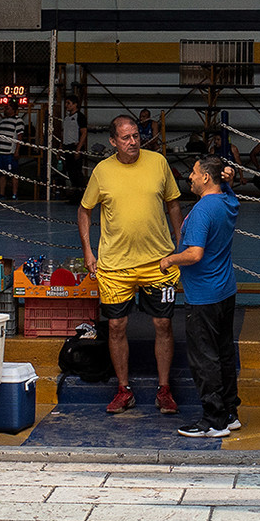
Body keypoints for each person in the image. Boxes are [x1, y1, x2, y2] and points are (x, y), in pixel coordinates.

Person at [78, 115, 184, 415]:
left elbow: (173, 204)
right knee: (115, 326)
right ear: (113, 141)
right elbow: (84, 210)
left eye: (136, 135)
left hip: (158, 262)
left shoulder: (158, 163)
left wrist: (181, 246)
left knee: (163, 323)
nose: (133, 142)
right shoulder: (102, 171)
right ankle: (123, 390)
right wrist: (88, 252)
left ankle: (164, 389)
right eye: (125, 138)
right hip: (115, 265)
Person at [164, 156, 240, 439]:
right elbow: (228, 188)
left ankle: (213, 420)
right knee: (224, 353)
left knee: (204, 359)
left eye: (195, 173)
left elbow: (194, 254)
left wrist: (169, 260)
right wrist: (229, 180)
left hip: (203, 296)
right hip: (225, 291)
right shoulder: (228, 201)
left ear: (207, 177)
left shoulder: (201, 211)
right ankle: (230, 413)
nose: (190, 177)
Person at [0, 108, 26, 199]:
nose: (6, 110)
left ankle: (14, 194)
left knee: (13, 174)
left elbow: (20, 136)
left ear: (14, 110)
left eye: (9, 108)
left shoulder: (18, 121)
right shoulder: (2, 121)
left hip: (10, 152)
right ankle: (1, 194)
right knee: (1, 174)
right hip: (0, 151)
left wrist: (17, 151)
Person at [60, 95, 88, 191]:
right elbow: (64, 133)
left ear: (75, 104)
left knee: (77, 172)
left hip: (75, 147)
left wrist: (78, 149)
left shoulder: (80, 117)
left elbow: (84, 133)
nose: (66, 105)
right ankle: (75, 192)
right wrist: (60, 147)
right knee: (70, 172)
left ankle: (81, 193)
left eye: (69, 103)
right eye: (66, 103)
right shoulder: (67, 118)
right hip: (67, 146)